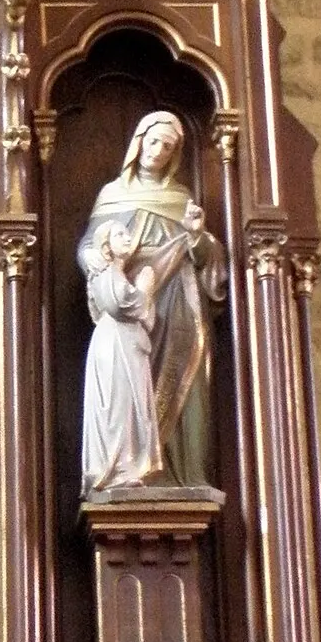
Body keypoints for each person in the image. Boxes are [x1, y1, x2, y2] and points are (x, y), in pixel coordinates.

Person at [78, 109, 226, 492]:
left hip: (177, 304)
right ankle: (129, 470)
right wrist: (90, 256)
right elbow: (90, 244)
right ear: (139, 141)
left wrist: (196, 236)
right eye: (153, 140)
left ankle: (181, 475)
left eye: (168, 146)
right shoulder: (112, 194)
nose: (158, 151)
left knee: (187, 385)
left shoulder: (180, 198)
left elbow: (209, 257)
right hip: (128, 309)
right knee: (126, 391)